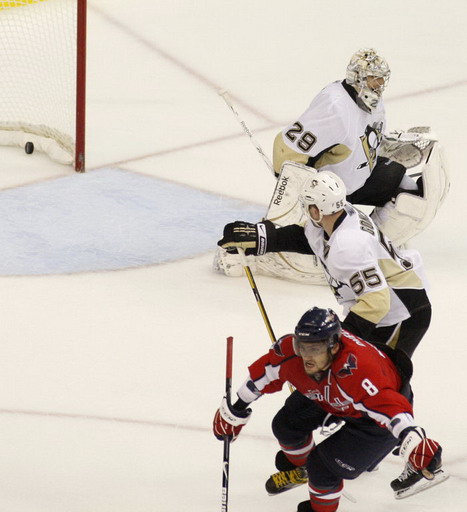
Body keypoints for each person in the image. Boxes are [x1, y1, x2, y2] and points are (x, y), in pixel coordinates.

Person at [214, 48, 449, 283]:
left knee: (409, 191)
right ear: (357, 77)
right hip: (333, 189)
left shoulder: (372, 101)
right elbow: (285, 149)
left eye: (381, 79)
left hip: (359, 176)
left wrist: (393, 146)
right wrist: (299, 189)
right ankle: (262, 250)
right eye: (373, 78)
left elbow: (369, 138)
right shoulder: (334, 107)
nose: (378, 84)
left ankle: (382, 239)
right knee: (328, 236)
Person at [212, 307, 447, 511]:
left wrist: (413, 440)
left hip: (372, 422)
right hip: (331, 393)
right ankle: (302, 469)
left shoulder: (358, 369)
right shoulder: (294, 355)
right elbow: (264, 373)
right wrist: (236, 410)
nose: (306, 357)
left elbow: (393, 411)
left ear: (334, 346)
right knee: (285, 425)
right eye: (302, 347)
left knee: (322, 467)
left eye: (314, 349)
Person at [218, 171, 431, 358]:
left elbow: (376, 302)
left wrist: (339, 340)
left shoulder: (347, 244)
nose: (306, 211)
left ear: (317, 210)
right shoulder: (337, 217)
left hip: (401, 314)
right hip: (385, 309)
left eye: (308, 206)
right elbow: (306, 237)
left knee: (381, 380)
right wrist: (261, 238)